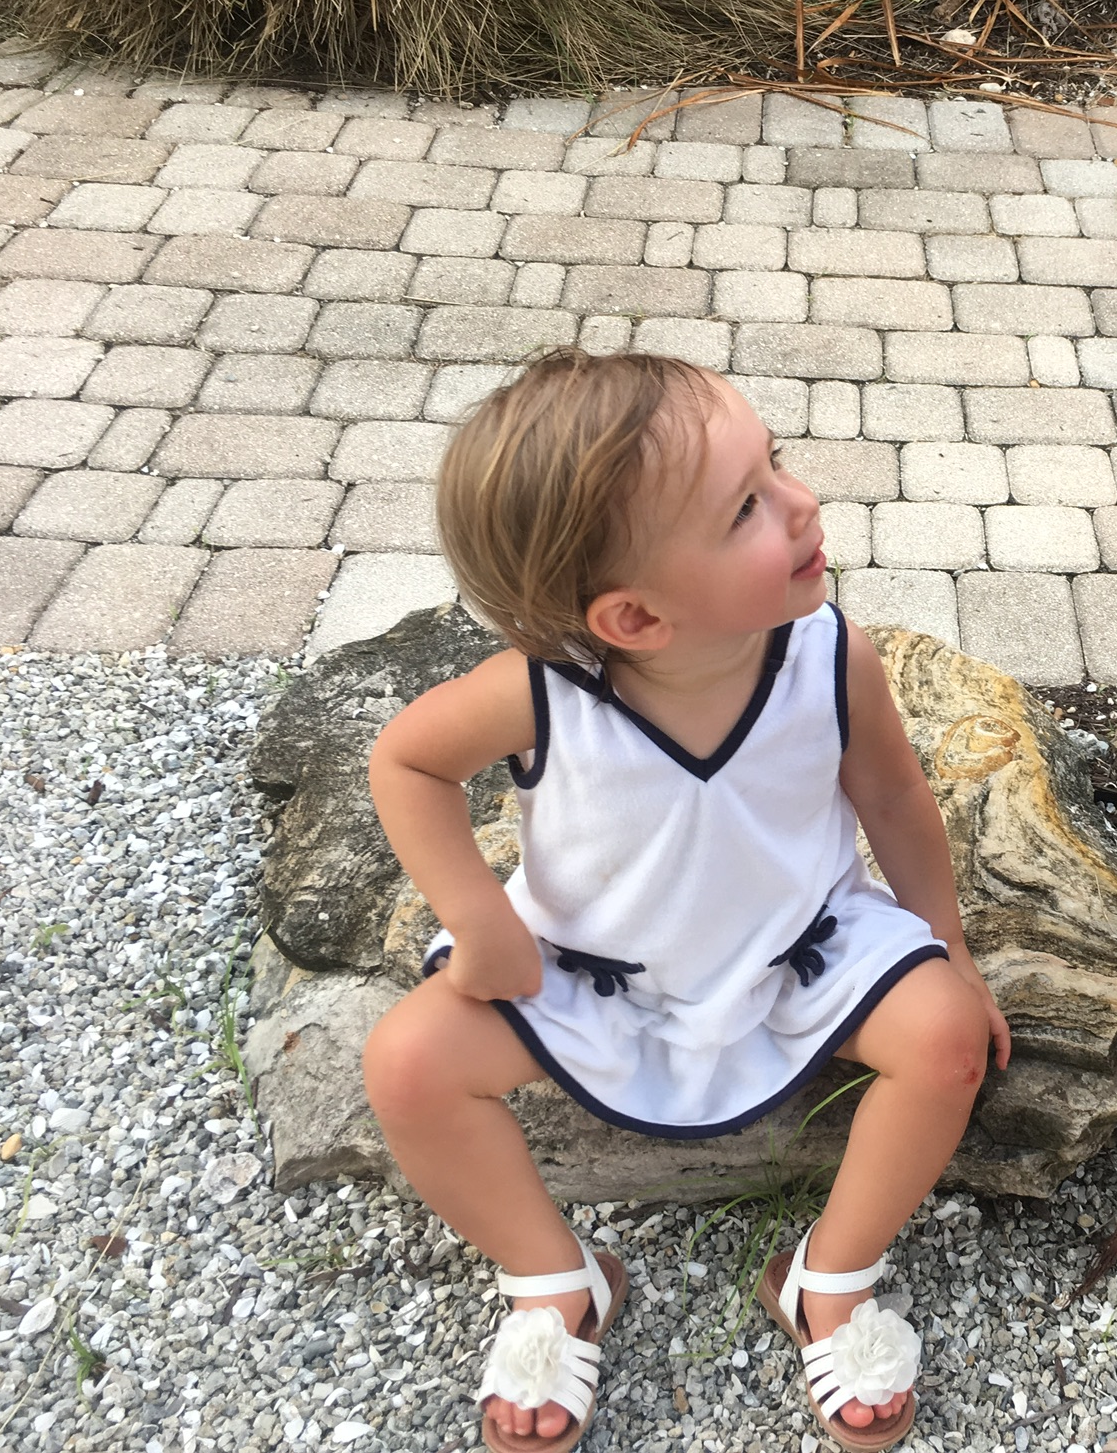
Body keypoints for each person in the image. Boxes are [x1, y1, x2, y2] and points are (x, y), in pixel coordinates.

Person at [361, 348, 1011, 1453]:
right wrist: (479, 920)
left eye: (777, 463)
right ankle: (553, 1277)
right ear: (634, 617)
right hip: (593, 972)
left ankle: (828, 1276)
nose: (803, 503)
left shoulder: (828, 656)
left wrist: (944, 942)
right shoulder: (541, 693)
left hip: (798, 952)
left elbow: (894, 796)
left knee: (947, 1039)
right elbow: (406, 762)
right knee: (407, 1063)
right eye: (747, 506)